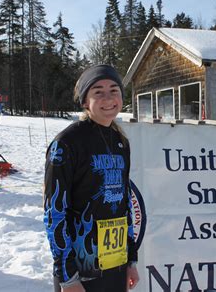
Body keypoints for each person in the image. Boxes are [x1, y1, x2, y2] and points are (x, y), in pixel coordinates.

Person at [44, 65, 140, 292]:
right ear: (86, 101)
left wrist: (130, 260)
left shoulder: (120, 141)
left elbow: (123, 204)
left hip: (115, 267)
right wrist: (68, 276)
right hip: (81, 271)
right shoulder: (67, 143)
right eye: (98, 91)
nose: (108, 98)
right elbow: (54, 213)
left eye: (114, 90)